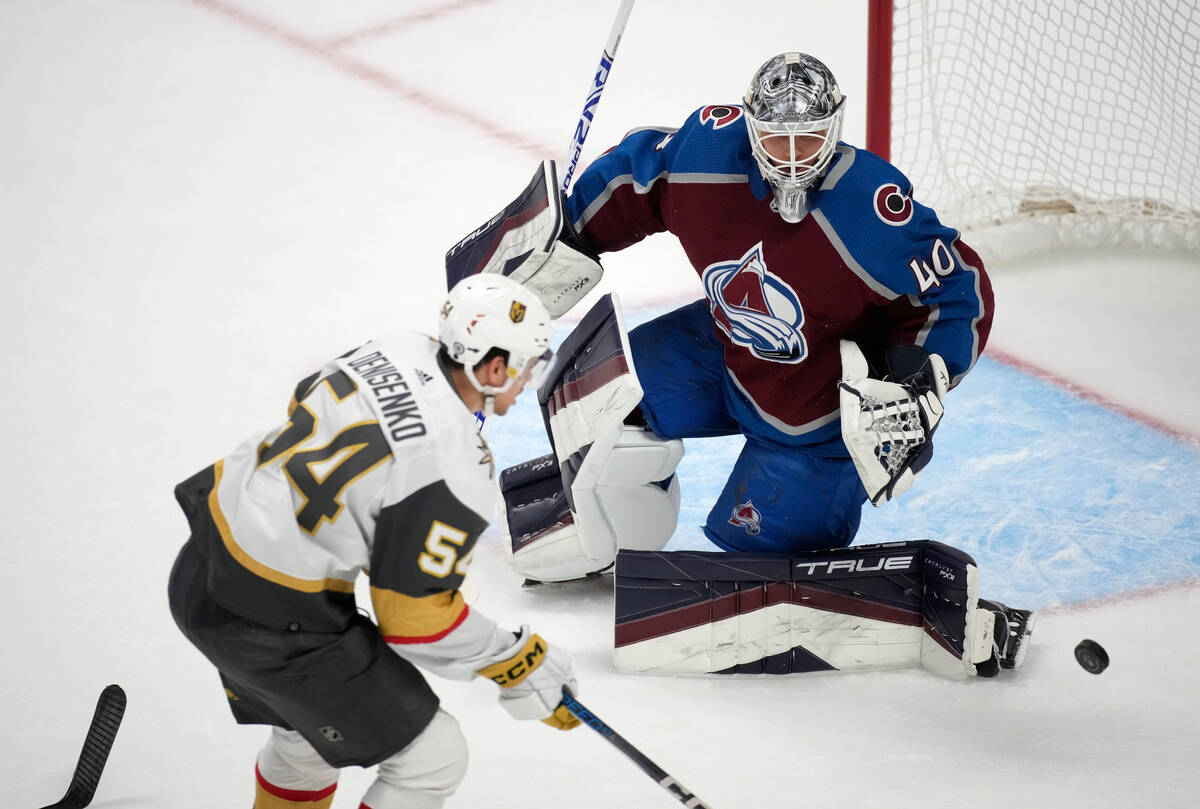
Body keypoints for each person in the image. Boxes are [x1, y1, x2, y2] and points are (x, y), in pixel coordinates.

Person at [449, 52, 1027, 680]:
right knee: (602, 394)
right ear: (750, 125)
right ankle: (599, 539)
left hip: (817, 415)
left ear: (835, 128)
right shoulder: (707, 158)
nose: (792, 155)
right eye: (776, 137)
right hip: (722, 349)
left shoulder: (871, 212)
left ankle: (797, 536)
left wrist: (915, 375)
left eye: (809, 139)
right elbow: (637, 172)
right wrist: (571, 233)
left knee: (754, 559)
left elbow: (959, 292)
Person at [168, 274, 580, 809]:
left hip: (202, 568)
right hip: (271, 622)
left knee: (306, 745)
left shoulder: (393, 346)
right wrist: (514, 658)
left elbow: (306, 395)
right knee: (434, 759)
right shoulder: (453, 466)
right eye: (527, 363)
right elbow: (415, 621)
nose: (529, 378)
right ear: (493, 367)